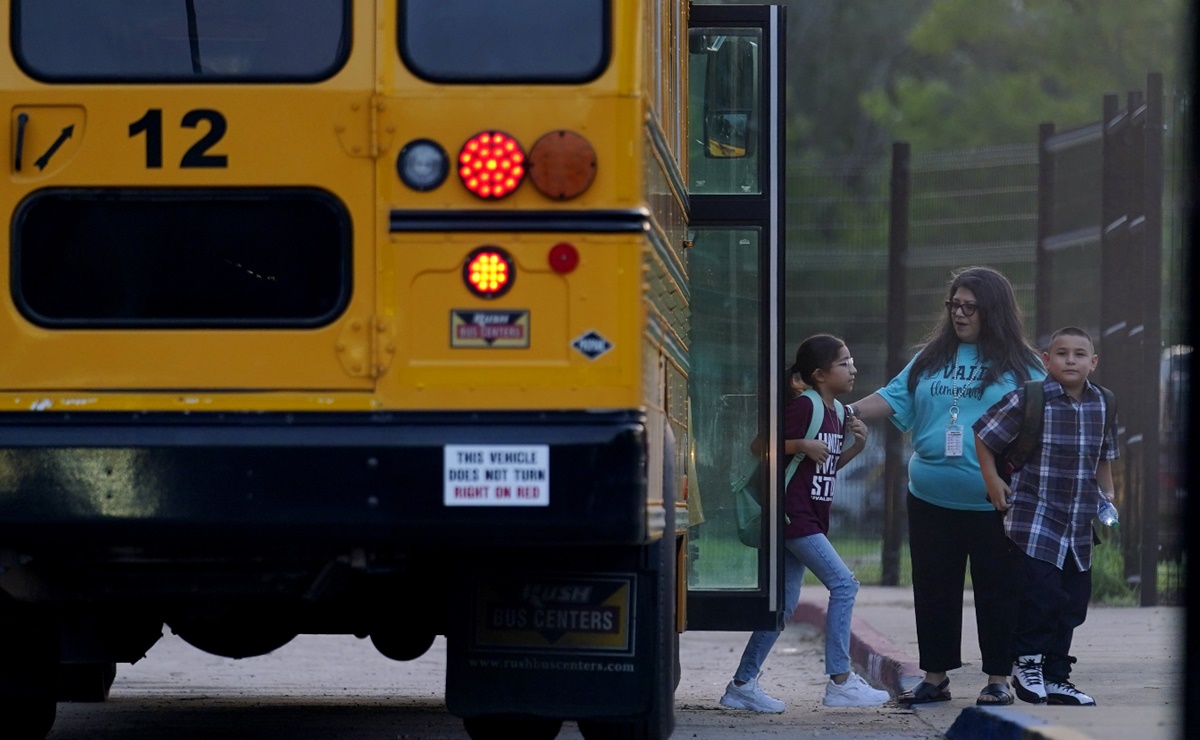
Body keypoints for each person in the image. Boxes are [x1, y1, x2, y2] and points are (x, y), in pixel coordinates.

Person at [842, 266, 1044, 707]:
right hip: (930, 498)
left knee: (998, 590)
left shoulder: (1023, 365)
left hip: (997, 500)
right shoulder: (930, 358)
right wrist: (841, 410)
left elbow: (1045, 422)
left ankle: (996, 679)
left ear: (993, 311)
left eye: (971, 307)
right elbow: (892, 398)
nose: (960, 314)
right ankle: (935, 677)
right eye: (954, 304)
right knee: (934, 588)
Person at [720, 334, 890, 712]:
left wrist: (856, 449)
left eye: (852, 361)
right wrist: (800, 445)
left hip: (807, 517)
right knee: (844, 584)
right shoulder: (805, 407)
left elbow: (825, 469)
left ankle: (742, 685)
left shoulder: (838, 412)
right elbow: (759, 446)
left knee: (783, 605)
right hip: (793, 517)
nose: (853, 369)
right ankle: (841, 681)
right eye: (844, 363)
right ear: (818, 374)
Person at [973, 326, 1118, 706]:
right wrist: (992, 482)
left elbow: (1104, 455)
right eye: (1062, 353)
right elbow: (984, 435)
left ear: (1093, 362)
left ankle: (1056, 677)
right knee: (1041, 594)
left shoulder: (1104, 402)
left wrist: (1110, 495)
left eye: (1079, 354)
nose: (1071, 360)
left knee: (1072, 600)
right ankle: (1028, 663)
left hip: (1078, 520)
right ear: (1046, 360)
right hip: (1034, 517)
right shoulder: (1030, 397)